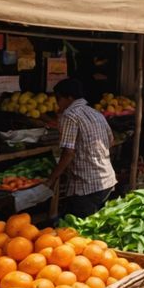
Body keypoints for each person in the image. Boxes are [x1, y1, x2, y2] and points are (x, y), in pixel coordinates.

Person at [47, 78, 117, 218]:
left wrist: (52, 179)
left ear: (69, 97)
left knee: (81, 233)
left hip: (87, 186)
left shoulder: (70, 115)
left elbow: (68, 153)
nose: (57, 103)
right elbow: (111, 142)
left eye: (58, 99)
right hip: (106, 181)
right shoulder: (95, 113)